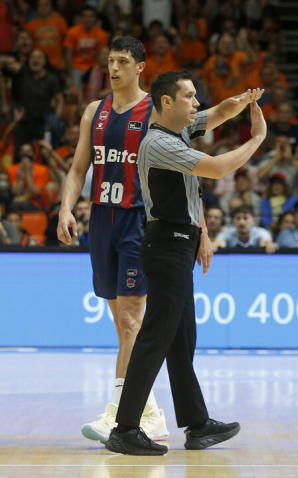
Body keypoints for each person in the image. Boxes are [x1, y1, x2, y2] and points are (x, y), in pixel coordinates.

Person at [104, 74, 266, 455]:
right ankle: (124, 428)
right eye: (189, 97)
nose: (197, 103)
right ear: (165, 103)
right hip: (167, 246)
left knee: (180, 341)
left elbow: (221, 112)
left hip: (180, 243)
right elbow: (218, 167)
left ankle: (197, 424)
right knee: (156, 337)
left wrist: (245, 100)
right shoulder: (159, 142)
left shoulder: (180, 127)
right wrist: (257, 138)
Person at [56, 37, 168, 444]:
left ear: (141, 66)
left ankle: (121, 414)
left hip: (139, 220)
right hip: (102, 220)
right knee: (123, 328)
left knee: (130, 319)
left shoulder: (156, 109)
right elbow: (77, 168)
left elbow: (184, 162)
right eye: (110, 61)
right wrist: (66, 208)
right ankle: (150, 411)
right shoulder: (94, 111)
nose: (113, 68)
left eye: (122, 61)